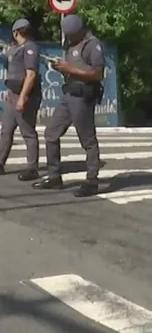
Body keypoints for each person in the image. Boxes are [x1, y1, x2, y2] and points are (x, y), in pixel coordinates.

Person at [32, 14, 104, 197]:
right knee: (51, 133)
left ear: (80, 31)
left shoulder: (92, 44)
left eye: (72, 35)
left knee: (87, 140)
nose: (69, 39)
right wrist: (59, 67)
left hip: (83, 96)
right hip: (68, 94)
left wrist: (69, 69)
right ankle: (54, 176)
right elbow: (71, 67)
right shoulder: (70, 44)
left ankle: (92, 181)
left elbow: (97, 74)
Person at [0, 19, 42, 181]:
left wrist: (22, 98)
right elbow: (8, 65)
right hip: (12, 94)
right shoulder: (13, 49)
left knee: (28, 132)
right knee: (6, 131)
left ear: (16, 32)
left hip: (26, 96)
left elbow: (30, 75)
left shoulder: (30, 48)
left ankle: (32, 168)